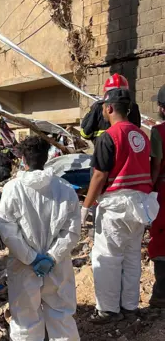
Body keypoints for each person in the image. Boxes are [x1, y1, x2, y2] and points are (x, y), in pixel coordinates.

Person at [82, 88, 157, 323]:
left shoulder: (109, 136)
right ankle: (130, 306)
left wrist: (86, 206)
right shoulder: (141, 135)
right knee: (132, 257)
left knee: (107, 257)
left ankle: (108, 309)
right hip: (140, 205)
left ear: (109, 108)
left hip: (115, 205)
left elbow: (99, 176)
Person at [0, 136, 81, 340]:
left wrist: (31, 258)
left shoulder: (12, 189)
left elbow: (7, 229)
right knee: (61, 316)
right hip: (57, 266)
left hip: (24, 266)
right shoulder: (65, 189)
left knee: (25, 320)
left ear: (23, 160)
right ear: (47, 158)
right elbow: (72, 231)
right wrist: (52, 257)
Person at [80, 73, 141, 141]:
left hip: (103, 148)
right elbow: (137, 132)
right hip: (127, 150)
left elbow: (85, 134)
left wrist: (89, 113)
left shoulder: (99, 106)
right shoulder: (134, 107)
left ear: (106, 92)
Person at [148, 84, 165, 308]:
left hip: (164, 191)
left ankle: (161, 294)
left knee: (161, 240)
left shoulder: (159, 132)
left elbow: (156, 165)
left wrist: (148, 190)